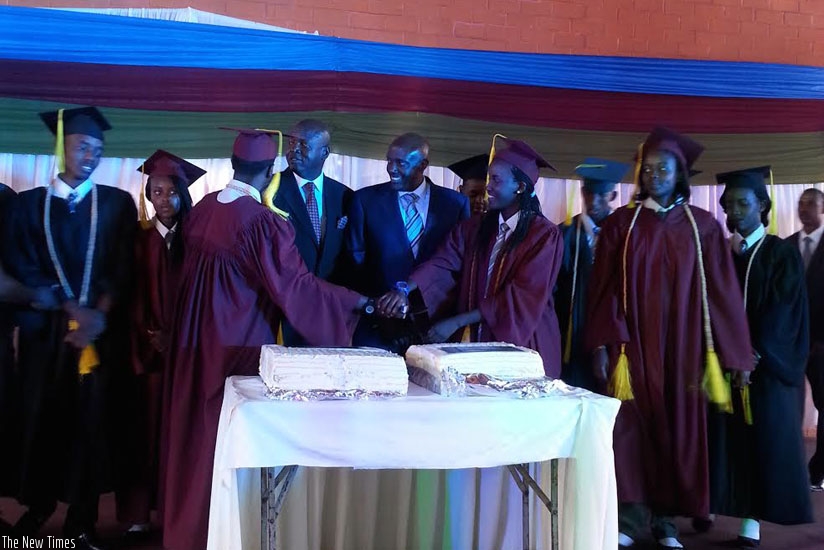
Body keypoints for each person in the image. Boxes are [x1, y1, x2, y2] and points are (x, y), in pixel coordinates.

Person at [159, 128, 371, 550]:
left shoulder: (201, 209)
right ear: (271, 169)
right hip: (233, 346)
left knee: (190, 435)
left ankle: (184, 530)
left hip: (191, 341)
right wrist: (357, 303)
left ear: (233, 163)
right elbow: (297, 289)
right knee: (222, 439)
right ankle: (220, 534)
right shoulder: (262, 223)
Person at [585, 127, 753, 550]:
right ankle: (629, 515)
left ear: (681, 173)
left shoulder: (703, 227)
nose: (656, 174)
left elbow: (724, 293)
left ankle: (666, 522)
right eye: (649, 167)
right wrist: (604, 345)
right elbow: (602, 288)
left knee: (678, 433)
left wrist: (734, 354)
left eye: (666, 167)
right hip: (633, 348)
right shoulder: (622, 224)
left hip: (685, 350)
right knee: (631, 431)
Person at [5, 106, 137, 550]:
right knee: (42, 421)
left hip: (97, 339)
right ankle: (37, 508)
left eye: (98, 150)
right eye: (83, 146)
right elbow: (22, 263)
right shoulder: (27, 206)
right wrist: (67, 308)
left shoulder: (117, 203)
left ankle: (81, 521)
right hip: (48, 338)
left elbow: (122, 267)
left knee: (91, 425)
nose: (91, 156)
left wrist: (97, 314)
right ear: (62, 146)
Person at [377, 137, 563, 376]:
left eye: (496, 180)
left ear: (520, 187)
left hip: (523, 340)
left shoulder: (544, 235)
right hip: (477, 336)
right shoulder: (474, 228)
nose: (488, 187)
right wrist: (404, 290)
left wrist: (458, 321)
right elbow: (441, 263)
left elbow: (521, 295)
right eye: (488, 179)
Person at [703, 166, 812, 547]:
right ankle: (712, 505)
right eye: (729, 204)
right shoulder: (720, 255)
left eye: (743, 204)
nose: (735, 212)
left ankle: (752, 522)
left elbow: (785, 312)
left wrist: (753, 354)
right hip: (725, 367)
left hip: (764, 371)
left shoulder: (781, 254)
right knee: (724, 441)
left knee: (760, 444)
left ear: (762, 206)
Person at [117, 150, 205, 540]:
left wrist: (183, 339)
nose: (164, 199)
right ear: (148, 196)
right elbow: (130, 297)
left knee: (181, 435)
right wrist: (150, 338)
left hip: (188, 355)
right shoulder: (138, 241)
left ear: (184, 194)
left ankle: (176, 512)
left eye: (171, 191)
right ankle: (137, 514)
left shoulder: (198, 243)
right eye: (156, 191)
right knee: (143, 431)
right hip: (148, 357)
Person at [346, 132, 470, 350]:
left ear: (423, 165)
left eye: (400, 163)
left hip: (434, 328)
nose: (391, 169)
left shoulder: (455, 204)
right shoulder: (365, 200)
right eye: (389, 161)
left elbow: (459, 266)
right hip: (378, 327)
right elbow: (356, 263)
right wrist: (377, 308)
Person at [273, 119, 354, 345]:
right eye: (291, 143)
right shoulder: (271, 191)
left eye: (303, 145)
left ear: (325, 152)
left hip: (330, 311)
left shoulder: (345, 196)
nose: (294, 150)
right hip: (283, 309)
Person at [555, 158, 627, 390]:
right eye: (588, 193)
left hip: (615, 332)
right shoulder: (564, 233)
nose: (593, 201)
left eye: (601, 195)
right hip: (574, 328)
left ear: (613, 196)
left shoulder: (627, 233)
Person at [788, 187, 824, 491]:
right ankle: (787, 466)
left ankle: (818, 471)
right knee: (787, 405)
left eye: (811, 203)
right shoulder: (786, 246)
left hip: (822, 345)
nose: (805, 208)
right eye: (801, 203)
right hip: (789, 344)